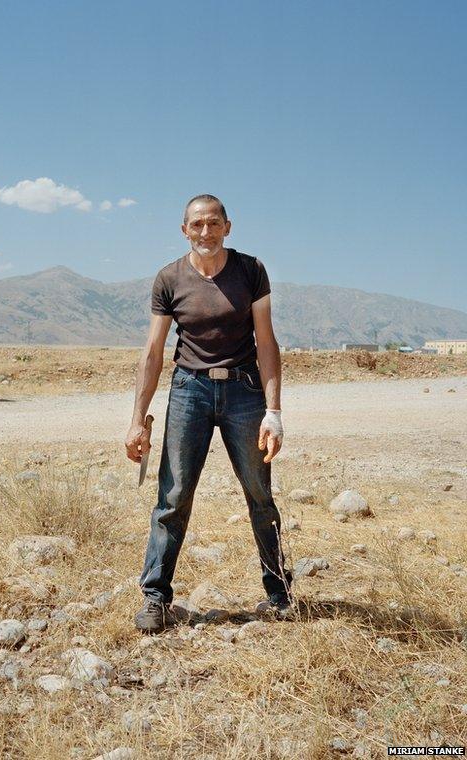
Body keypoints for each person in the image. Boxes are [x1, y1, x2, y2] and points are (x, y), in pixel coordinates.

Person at [125, 194, 292, 633]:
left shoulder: (251, 271)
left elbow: (267, 342)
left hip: (244, 390)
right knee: (174, 496)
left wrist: (273, 411)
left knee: (259, 494)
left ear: (227, 227)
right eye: (197, 225)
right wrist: (137, 419)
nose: (206, 232)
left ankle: (279, 592)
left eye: (213, 223)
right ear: (185, 230)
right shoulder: (169, 278)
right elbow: (153, 351)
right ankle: (156, 597)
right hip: (188, 391)